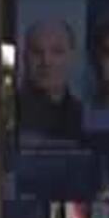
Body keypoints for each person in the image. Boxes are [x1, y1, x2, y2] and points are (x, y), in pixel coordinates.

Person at [17, 17, 86, 147]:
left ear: (72, 57)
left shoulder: (85, 117)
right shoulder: (6, 115)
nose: (46, 61)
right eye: (37, 52)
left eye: (57, 52)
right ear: (24, 57)